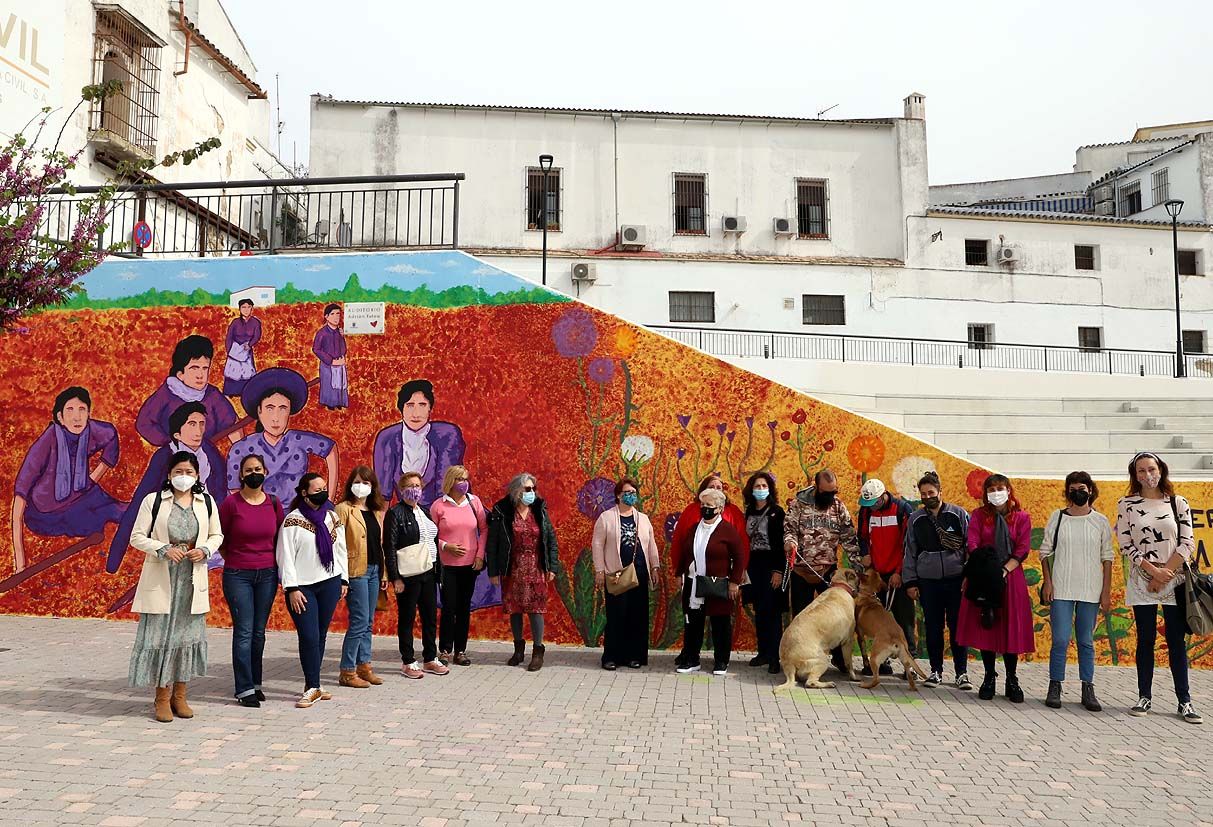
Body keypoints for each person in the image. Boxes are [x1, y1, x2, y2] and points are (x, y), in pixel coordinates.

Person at [127, 451, 222, 723]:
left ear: (197, 476)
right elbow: (137, 537)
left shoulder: (207, 503)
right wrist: (163, 549)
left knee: (185, 637)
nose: (184, 477)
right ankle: (161, 697)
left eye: (189, 472)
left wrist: (204, 549)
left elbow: (217, 534)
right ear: (169, 475)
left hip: (191, 579)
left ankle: (181, 695)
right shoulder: (154, 501)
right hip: (162, 576)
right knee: (161, 637)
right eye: (179, 472)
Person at [1116, 452, 1201, 724]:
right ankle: (1144, 696)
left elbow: (1187, 543)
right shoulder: (1127, 504)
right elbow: (1126, 543)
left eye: (1151, 469)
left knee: (1176, 641)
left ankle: (1184, 701)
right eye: (1140, 471)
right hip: (1143, 580)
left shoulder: (1178, 502)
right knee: (1146, 639)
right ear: (1134, 474)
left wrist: (1165, 573)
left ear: (1161, 470)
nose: (1146, 475)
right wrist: (1152, 572)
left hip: (1174, 578)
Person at [13, 386, 124, 575]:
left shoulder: (92, 430)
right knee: (90, 522)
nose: (77, 417)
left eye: (82, 410)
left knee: (124, 510)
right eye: (69, 410)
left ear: (89, 413)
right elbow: (20, 498)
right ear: (60, 417)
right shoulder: (47, 441)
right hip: (46, 513)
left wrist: (92, 478)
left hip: (83, 494)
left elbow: (111, 435)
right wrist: (20, 563)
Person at [107, 401, 227, 574]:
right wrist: (114, 560)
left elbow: (221, 490)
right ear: (177, 433)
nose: (198, 431)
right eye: (192, 424)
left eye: (202, 424)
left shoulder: (209, 451)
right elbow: (139, 501)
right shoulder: (164, 457)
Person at [956, 474, 1034, 703]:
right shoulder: (979, 516)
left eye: (1000, 488)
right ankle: (989, 676)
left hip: (1010, 577)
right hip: (984, 575)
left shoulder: (1021, 518)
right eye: (991, 489)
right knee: (986, 625)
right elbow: (972, 543)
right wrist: (988, 570)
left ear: (1009, 490)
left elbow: (1022, 549)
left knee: (1011, 627)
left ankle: (1012, 678)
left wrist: (1004, 570)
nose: (996, 493)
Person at [1040, 471, 1113, 712]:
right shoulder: (1058, 517)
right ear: (1067, 491)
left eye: (1082, 488)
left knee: (1086, 641)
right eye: (1072, 489)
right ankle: (1055, 685)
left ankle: (1088, 687)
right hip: (1061, 587)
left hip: (1091, 588)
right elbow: (1045, 552)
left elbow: (1107, 558)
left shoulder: (1100, 521)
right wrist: (1048, 583)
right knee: (1060, 640)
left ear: (1090, 490)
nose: (1077, 492)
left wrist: (1106, 591)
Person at [276, 473, 348, 708]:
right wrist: (291, 588)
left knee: (321, 634)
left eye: (324, 488)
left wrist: (344, 580)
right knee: (308, 635)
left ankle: (314, 684)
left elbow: (341, 551)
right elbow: (285, 557)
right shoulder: (292, 521)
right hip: (302, 587)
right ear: (304, 493)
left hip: (329, 582)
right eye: (316, 489)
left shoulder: (332, 518)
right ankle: (312, 685)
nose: (322, 492)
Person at [783, 468, 860, 672]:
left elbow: (849, 538)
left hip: (828, 573)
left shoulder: (838, 507)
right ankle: (799, 662)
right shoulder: (798, 505)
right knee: (801, 620)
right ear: (816, 487)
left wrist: (860, 567)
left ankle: (841, 660)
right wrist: (790, 544)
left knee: (836, 619)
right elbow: (789, 530)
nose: (831, 496)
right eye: (827, 492)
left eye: (834, 492)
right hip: (802, 571)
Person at [227, 367, 339, 504]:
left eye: (282, 408)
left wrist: (329, 498)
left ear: (289, 411)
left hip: (297, 514)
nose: (276, 417)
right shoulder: (242, 448)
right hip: (261, 515)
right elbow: (234, 490)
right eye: (269, 408)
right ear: (259, 411)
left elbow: (330, 448)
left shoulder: (297, 440)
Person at [670, 475, 749, 668]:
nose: (705, 508)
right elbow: (685, 550)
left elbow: (739, 555)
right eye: (703, 504)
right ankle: (691, 659)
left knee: (720, 623)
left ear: (720, 508)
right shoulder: (694, 528)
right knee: (693, 622)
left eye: (710, 505)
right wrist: (680, 573)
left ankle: (721, 661)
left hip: (718, 583)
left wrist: (734, 582)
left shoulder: (727, 529)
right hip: (694, 582)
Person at [903, 471, 971, 690]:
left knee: (957, 627)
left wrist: (968, 575)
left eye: (931, 492)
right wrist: (911, 581)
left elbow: (971, 547)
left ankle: (961, 673)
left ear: (940, 492)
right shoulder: (916, 519)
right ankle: (935, 671)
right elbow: (910, 551)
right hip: (928, 582)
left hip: (955, 581)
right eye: (923, 494)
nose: (927, 497)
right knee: (933, 628)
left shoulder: (958, 514)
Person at [487, 473, 559, 671]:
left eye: (533, 489)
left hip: (536, 566)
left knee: (536, 609)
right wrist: (493, 570)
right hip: (513, 567)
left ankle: (537, 651)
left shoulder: (539, 510)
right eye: (527, 489)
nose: (532, 493)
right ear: (516, 490)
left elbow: (551, 539)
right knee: (515, 609)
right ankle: (518, 649)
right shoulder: (502, 511)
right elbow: (492, 543)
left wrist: (552, 566)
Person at [384, 471, 450, 679]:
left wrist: (438, 572)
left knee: (430, 616)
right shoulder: (396, 513)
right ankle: (408, 661)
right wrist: (396, 577)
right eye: (410, 485)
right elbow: (390, 546)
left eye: (418, 486)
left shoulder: (424, 512)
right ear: (402, 490)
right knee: (407, 617)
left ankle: (430, 658)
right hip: (408, 574)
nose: (415, 489)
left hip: (429, 571)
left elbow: (433, 540)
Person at [592, 477, 661, 670]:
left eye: (633, 493)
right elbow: (597, 545)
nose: (630, 496)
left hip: (639, 574)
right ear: (618, 495)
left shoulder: (643, 519)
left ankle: (633, 656)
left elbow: (651, 544)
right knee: (616, 615)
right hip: (616, 574)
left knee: (636, 616)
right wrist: (599, 570)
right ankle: (612, 657)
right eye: (626, 493)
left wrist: (654, 567)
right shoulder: (606, 517)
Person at [373, 379, 466, 507]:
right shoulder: (387, 438)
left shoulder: (447, 435)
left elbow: (447, 491)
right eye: (410, 405)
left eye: (422, 405)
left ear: (430, 408)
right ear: (401, 408)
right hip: (407, 517)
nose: (416, 414)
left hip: (449, 512)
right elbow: (383, 497)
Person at [335, 466, 388, 688]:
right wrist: (342, 577)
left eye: (366, 483)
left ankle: (364, 666)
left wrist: (384, 573)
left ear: (372, 486)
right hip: (356, 570)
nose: (362, 486)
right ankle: (347, 671)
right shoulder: (343, 509)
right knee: (358, 620)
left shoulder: (377, 511)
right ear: (350, 484)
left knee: (368, 621)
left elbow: (380, 544)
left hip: (375, 569)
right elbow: (337, 543)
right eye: (358, 481)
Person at [856, 477, 916, 676]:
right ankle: (881, 663)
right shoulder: (866, 512)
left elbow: (909, 545)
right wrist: (865, 554)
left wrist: (899, 572)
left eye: (873, 502)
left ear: (883, 496)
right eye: (868, 504)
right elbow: (862, 536)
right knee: (878, 622)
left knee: (904, 620)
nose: (870, 507)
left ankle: (910, 664)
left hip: (898, 574)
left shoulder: (903, 510)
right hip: (877, 576)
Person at [430, 466, 489, 665]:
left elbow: (484, 529)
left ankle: (460, 650)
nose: (464, 482)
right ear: (451, 481)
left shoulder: (475, 502)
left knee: (464, 607)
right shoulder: (439, 505)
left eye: (466, 478)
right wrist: (446, 546)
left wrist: (480, 555)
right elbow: (430, 535)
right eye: (459, 479)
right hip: (448, 565)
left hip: (470, 565)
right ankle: (445, 649)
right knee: (449, 607)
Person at [135, 334, 237, 448]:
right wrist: (169, 443)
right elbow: (144, 423)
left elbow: (232, 425)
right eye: (194, 368)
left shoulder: (213, 395)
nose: (200, 375)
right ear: (180, 374)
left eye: (205, 368)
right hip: (175, 458)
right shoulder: (166, 394)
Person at [741, 471, 787, 675]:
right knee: (760, 610)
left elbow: (780, 545)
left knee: (773, 612)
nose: (760, 490)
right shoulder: (748, 513)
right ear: (751, 490)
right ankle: (763, 653)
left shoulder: (777, 512)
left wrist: (778, 571)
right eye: (757, 486)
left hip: (771, 565)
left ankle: (775, 657)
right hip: (753, 566)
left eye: (763, 486)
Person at [223, 299, 262, 397]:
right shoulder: (235, 322)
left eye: (249, 307)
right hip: (234, 349)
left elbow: (257, 336)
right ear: (239, 309)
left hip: (246, 349)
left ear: (252, 308)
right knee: (233, 371)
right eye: (243, 307)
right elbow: (229, 337)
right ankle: (231, 392)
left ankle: (246, 391)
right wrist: (229, 351)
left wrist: (249, 344)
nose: (246, 310)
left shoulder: (255, 322)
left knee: (247, 371)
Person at [312, 303, 348, 410]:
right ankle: (330, 404)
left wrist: (342, 337)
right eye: (332, 314)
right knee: (329, 384)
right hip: (328, 365)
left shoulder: (339, 333)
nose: (336, 317)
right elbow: (316, 349)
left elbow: (344, 349)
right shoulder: (322, 333)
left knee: (341, 383)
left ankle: (339, 403)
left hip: (339, 363)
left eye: (338, 314)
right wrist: (331, 361)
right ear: (326, 317)